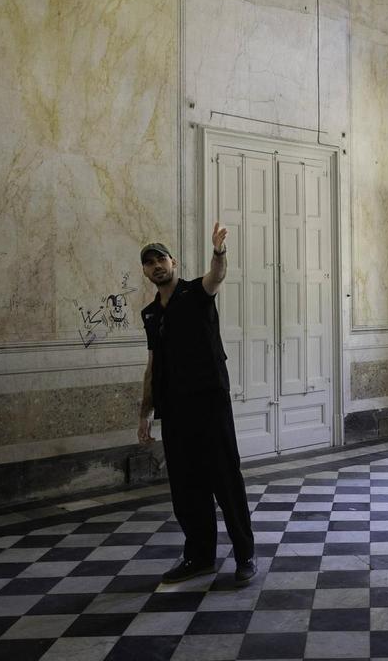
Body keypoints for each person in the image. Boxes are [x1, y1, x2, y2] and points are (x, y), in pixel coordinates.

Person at [137, 223, 257, 586]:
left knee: (225, 480)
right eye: (149, 263)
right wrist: (143, 413)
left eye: (161, 258)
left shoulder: (195, 291)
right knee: (186, 489)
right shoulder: (150, 313)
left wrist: (219, 252)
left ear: (173, 262)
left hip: (209, 404)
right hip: (174, 410)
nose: (156, 265)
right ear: (145, 271)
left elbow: (217, 276)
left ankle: (244, 555)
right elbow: (153, 364)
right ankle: (199, 556)